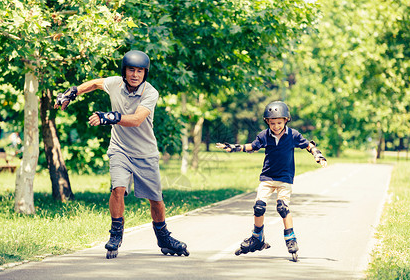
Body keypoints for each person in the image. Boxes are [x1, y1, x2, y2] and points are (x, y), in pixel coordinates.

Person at [54, 50, 189, 259]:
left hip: (145, 153)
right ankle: (116, 234)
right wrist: (71, 92)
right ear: (124, 71)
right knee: (118, 188)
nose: (135, 75)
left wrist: (108, 117)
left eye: (140, 71)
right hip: (119, 149)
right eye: (131, 70)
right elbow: (95, 84)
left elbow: (136, 119)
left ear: (145, 73)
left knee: (156, 200)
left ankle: (163, 237)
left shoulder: (150, 93)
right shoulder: (115, 83)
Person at [216, 101, 327, 261]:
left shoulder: (293, 135)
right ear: (267, 121)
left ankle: (291, 239)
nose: (276, 126)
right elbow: (252, 147)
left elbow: (308, 145)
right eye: (272, 123)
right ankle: (257, 237)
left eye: (279, 123)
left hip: (285, 178)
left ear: (286, 120)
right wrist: (235, 147)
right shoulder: (264, 135)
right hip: (267, 177)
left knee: (282, 207)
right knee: (259, 206)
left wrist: (318, 155)